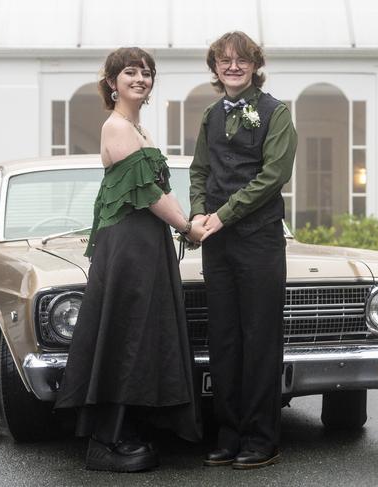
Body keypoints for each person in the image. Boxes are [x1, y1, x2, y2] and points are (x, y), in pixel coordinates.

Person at [55, 47, 204, 473]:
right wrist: (186, 227)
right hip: (128, 245)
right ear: (112, 82)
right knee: (126, 332)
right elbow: (148, 195)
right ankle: (105, 442)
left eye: (147, 73)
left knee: (142, 333)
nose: (140, 79)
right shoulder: (116, 127)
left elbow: (162, 188)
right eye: (130, 73)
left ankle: (128, 430)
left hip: (146, 242)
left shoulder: (140, 129)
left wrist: (187, 221)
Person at [189, 31, 297, 469]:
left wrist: (223, 214)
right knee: (225, 340)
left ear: (255, 65)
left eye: (242, 60)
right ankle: (229, 434)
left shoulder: (276, 113)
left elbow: (273, 176)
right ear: (215, 67)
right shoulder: (211, 115)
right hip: (217, 242)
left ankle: (262, 438)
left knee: (259, 339)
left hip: (259, 240)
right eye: (224, 61)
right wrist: (198, 214)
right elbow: (199, 171)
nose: (233, 67)